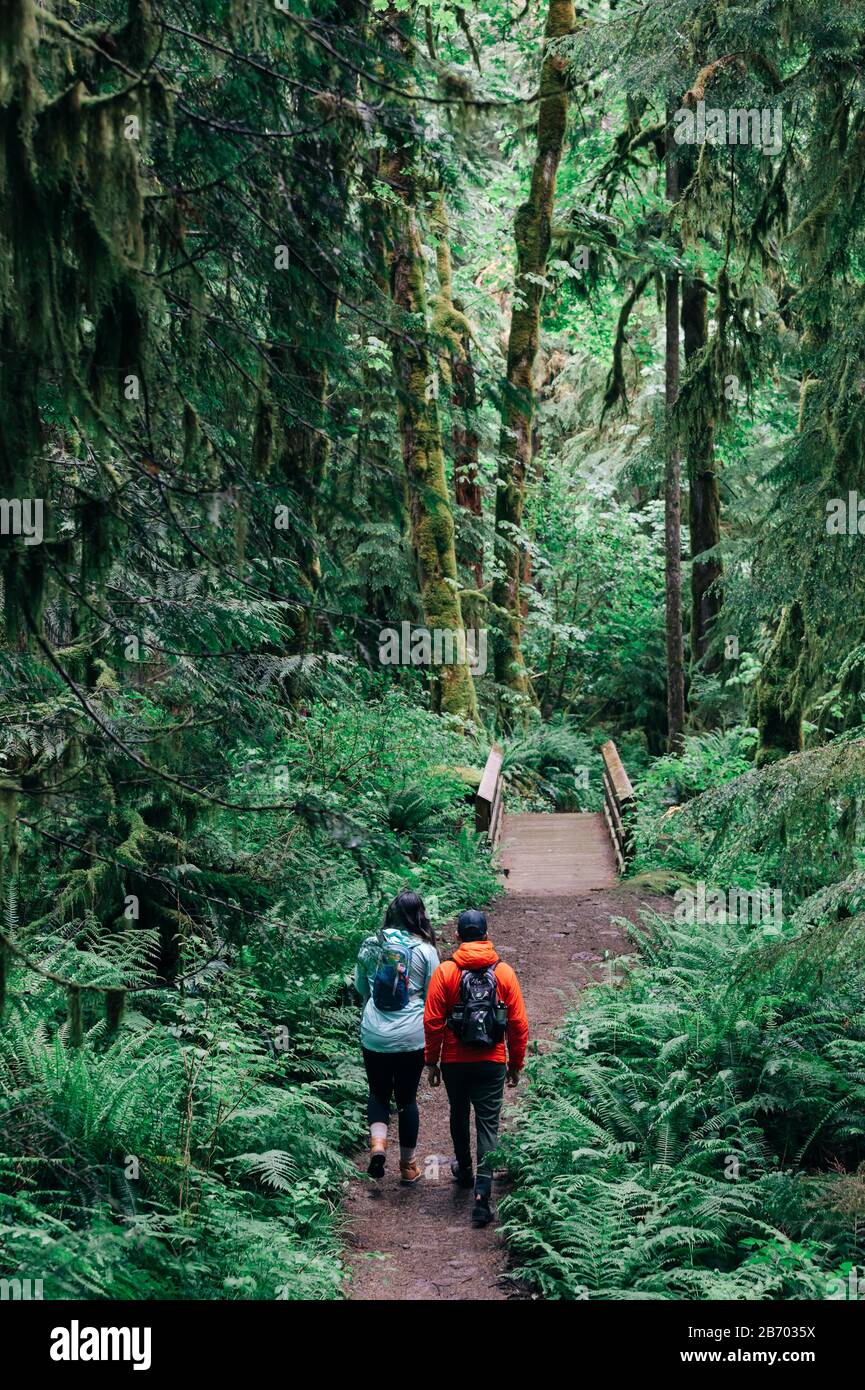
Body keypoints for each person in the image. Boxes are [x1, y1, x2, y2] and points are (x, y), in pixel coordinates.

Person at [424, 908, 528, 1227]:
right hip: (492, 1061)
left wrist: (432, 1061)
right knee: (487, 1126)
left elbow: (432, 1022)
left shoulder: (446, 972)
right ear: (486, 934)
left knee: (458, 1113)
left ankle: (465, 1170)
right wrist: (515, 1064)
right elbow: (518, 1025)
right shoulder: (504, 973)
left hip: (455, 1062)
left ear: (457, 936)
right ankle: (482, 1195)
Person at [354, 890, 439, 1184]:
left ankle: (378, 1147)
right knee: (406, 1100)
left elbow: (362, 989)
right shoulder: (426, 951)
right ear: (419, 916)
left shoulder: (370, 945)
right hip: (410, 1036)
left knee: (378, 1093)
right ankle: (408, 1166)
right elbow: (433, 997)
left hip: (375, 1032)